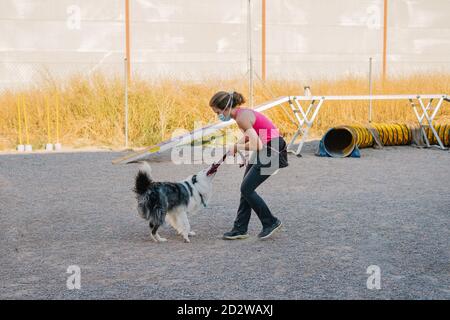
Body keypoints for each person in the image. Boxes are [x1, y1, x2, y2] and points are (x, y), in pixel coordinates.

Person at [209, 91, 288, 240]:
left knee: (246, 188)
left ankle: (271, 222)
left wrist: (238, 148)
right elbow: (249, 135)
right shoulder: (242, 114)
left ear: (225, 108)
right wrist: (235, 145)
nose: (218, 115)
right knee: (246, 188)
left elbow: (256, 145)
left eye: (218, 112)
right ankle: (240, 228)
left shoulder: (241, 118)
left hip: (272, 150)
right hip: (268, 148)